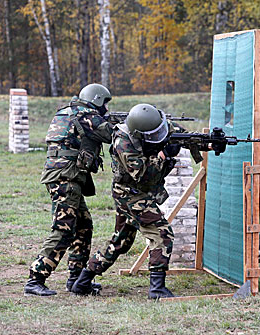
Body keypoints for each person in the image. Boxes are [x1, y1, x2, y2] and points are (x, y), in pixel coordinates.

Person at [71, 103, 181, 299]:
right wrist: (164, 155)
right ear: (139, 132)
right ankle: (156, 289)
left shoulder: (152, 123)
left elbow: (175, 132)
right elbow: (144, 174)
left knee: (121, 241)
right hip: (129, 194)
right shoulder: (123, 142)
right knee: (162, 234)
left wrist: (204, 143)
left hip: (134, 193)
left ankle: (83, 281)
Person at [24, 83, 113, 296]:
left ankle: (76, 278)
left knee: (83, 225)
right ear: (97, 99)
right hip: (66, 178)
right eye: (105, 104)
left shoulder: (69, 111)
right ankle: (35, 279)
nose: (106, 109)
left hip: (63, 176)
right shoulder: (86, 115)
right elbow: (110, 134)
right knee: (63, 229)